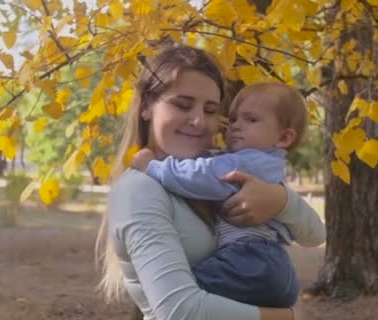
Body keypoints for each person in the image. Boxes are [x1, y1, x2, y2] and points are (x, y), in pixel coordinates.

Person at [96, 44, 325, 320]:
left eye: (211, 110)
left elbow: (316, 235)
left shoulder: (214, 173)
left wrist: (280, 200)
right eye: (182, 104)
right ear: (146, 106)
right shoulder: (140, 187)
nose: (199, 121)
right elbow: (183, 314)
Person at [130, 82, 318, 308]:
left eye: (251, 120)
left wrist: (154, 167)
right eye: (233, 119)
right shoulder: (254, 160)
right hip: (262, 263)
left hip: (252, 258)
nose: (236, 126)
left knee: (181, 293)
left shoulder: (250, 163)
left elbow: (202, 174)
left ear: (284, 138)